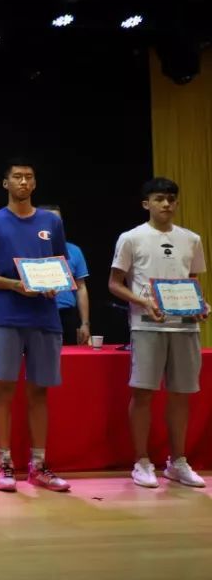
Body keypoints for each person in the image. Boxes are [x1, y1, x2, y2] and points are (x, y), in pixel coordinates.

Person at [0, 159, 70, 493]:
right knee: (4, 389)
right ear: (6, 183)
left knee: (40, 391)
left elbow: (61, 265)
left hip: (45, 317)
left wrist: (55, 283)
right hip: (7, 317)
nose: (23, 182)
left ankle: (38, 466)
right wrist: (14, 284)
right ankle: (5, 464)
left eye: (29, 177)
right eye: (17, 177)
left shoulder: (51, 222)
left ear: (35, 183)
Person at [108, 177, 208, 489]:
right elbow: (114, 284)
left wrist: (200, 304)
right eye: (159, 199)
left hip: (185, 326)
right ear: (146, 203)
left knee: (181, 394)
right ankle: (141, 461)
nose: (166, 204)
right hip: (146, 325)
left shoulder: (191, 239)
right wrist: (143, 302)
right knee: (143, 393)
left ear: (177, 203)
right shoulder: (131, 238)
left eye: (171, 199)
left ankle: (177, 462)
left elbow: (191, 281)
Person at [40, 205, 91, 346]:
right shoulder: (28, 250)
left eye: (57, 220)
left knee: (67, 356)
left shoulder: (74, 250)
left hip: (66, 315)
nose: (53, 224)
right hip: (36, 313)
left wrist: (85, 323)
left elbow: (81, 288)